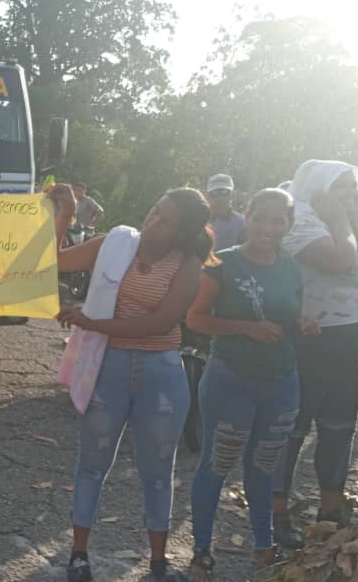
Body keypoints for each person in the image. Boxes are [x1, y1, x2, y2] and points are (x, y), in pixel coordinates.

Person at [50, 184, 213, 582]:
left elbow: (160, 322)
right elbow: (52, 261)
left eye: (166, 221)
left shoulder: (189, 264)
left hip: (161, 371)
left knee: (158, 470)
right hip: (109, 366)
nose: (153, 222)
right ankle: (79, 556)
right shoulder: (115, 243)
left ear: (181, 233)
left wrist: (92, 323)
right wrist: (66, 214)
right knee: (91, 464)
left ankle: (159, 562)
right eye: (155, 210)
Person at [184, 189, 315, 577]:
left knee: (264, 465)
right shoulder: (221, 264)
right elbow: (194, 319)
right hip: (230, 380)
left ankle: (262, 545)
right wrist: (246, 328)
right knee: (216, 464)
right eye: (262, 218)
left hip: (282, 382)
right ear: (247, 217)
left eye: (279, 221)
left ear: (289, 226)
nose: (269, 228)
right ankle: (202, 549)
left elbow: (289, 319)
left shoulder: (292, 268)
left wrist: (302, 327)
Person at [271, 160, 358, 547]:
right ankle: (275, 511)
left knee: (340, 428)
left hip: (350, 344)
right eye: (338, 187)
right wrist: (345, 230)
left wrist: (353, 226)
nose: (347, 195)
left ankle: (331, 510)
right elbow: (345, 262)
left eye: (352, 189)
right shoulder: (300, 220)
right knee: (292, 429)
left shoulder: (350, 225)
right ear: (316, 188)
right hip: (309, 342)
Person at [206, 174, 245, 251]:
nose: (219, 197)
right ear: (208, 196)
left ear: (232, 195)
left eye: (224, 192)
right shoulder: (198, 221)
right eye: (214, 193)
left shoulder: (243, 223)